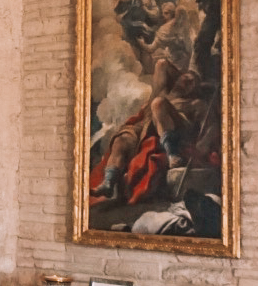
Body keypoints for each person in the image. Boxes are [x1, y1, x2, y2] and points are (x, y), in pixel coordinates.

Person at [90, 59, 211, 208]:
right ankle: (108, 182)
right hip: (146, 125)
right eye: (185, 77)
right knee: (121, 140)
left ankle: (172, 154)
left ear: (195, 90)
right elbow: (162, 64)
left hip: (174, 125)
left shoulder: (195, 104)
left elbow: (209, 128)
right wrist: (183, 74)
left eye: (192, 82)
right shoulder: (162, 91)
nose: (186, 81)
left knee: (158, 103)